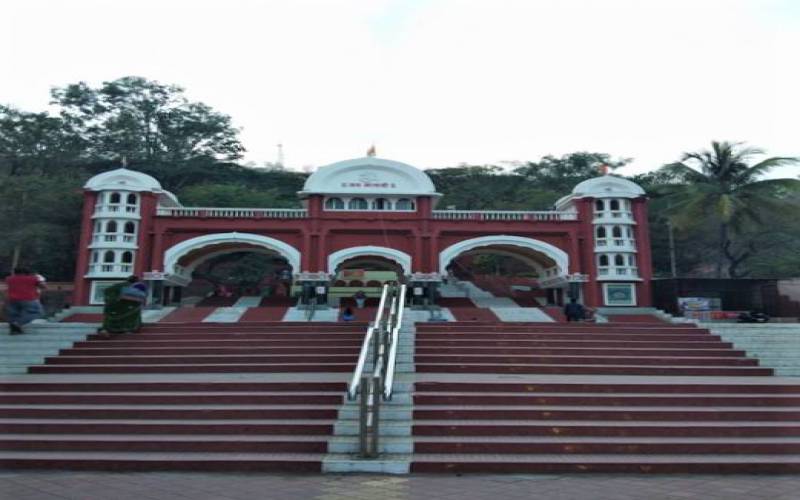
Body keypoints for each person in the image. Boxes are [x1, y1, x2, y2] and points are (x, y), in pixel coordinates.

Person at [4, 268, 46, 334]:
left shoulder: (9, 279)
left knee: (14, 314)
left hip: (12, 299)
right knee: (36, 312)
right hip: (28, 298)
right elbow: (43, 286)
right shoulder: (32, 278)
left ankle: (14, 328)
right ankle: (18, 324)